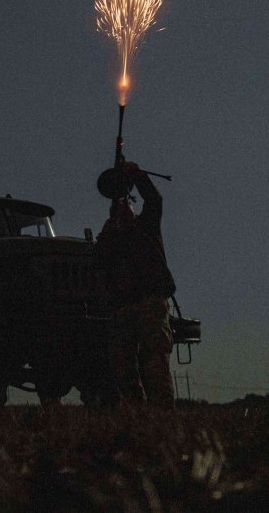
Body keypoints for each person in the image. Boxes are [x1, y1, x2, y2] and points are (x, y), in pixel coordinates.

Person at [94, 161, 177, 407]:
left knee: (154, 361)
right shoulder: (110, 241)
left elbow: (154, 199)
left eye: (127, 207)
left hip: (150, 301)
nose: (123, 211)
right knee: (123, 368)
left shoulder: (146, 226)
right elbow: (99, 265)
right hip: (122, 308)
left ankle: (162, 414)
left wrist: (138, 176)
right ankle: (136, 414)